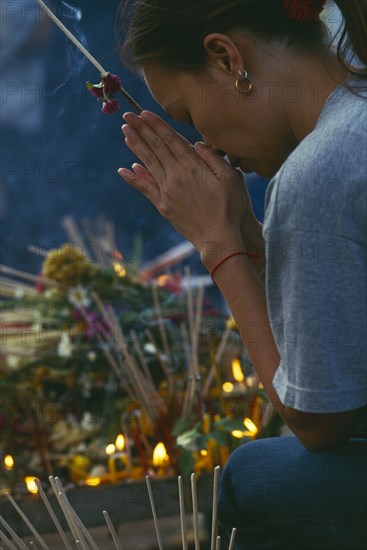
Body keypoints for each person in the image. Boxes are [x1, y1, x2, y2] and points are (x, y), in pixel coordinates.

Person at [117, 1, 367, 547]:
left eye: (187, 117)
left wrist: (218, 245)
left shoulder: (316, 174)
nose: (206, 149)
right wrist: (248, 233)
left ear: (227, 59)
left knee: (253, 475)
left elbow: (317, 418)